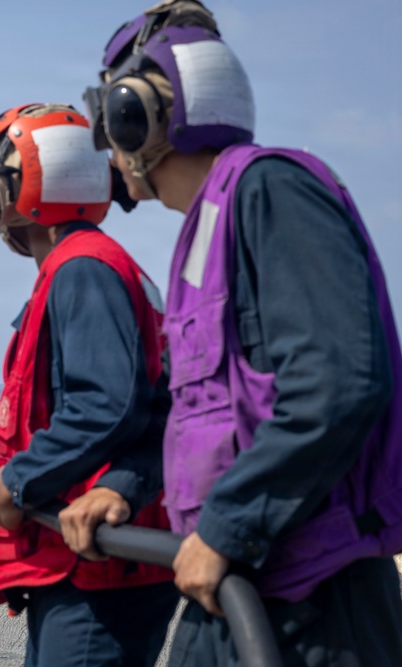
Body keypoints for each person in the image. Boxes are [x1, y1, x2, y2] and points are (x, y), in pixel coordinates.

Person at [72, 2, 402, 664]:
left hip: (313, 601)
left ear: (135, 116)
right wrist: (126, 488)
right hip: (232, 581)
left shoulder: (271, 188)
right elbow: (195, 409)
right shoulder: (207, 225)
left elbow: (336, 381)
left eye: (110, 122)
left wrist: (227, 526)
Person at [0, 104, 179, 667]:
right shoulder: (83, 267)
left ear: (25, 190)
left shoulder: (83, 269)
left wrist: (18, 480)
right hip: (79, 563)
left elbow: (107, 408)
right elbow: (89, 438)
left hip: (97, 573)